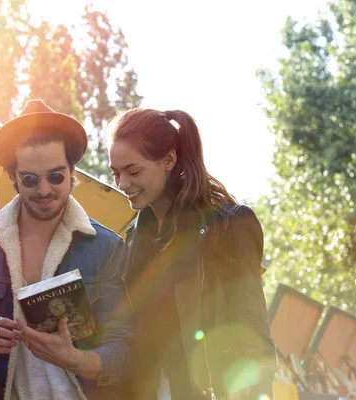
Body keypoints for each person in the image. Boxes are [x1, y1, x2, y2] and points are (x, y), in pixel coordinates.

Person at [0, 99, 131, 400]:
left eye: (56, 176)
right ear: (13, 177)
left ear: (73, 170)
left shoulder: (106, 246)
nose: (45, 190)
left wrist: (78, 360)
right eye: (30, 179)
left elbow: (129, 347)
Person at [107, 108, 278, 399]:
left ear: (169, 159)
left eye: (134, 171)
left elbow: (252, 331)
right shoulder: (134, 239)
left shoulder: (230, 225)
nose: (123, 184)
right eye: (116, 173)